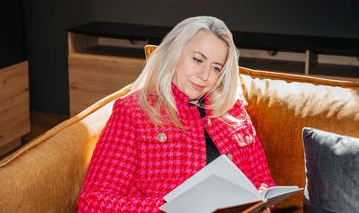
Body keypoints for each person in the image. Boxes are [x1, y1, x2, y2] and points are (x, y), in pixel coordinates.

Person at [77, 16, 275, 212]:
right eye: (198, 60)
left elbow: (263, 181)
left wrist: (262, 206)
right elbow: (92, 203)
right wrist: (169, 209)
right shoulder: (132, 112)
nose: (205, 76)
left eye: (215, 68)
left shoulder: (233, 109)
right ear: (174, 53)